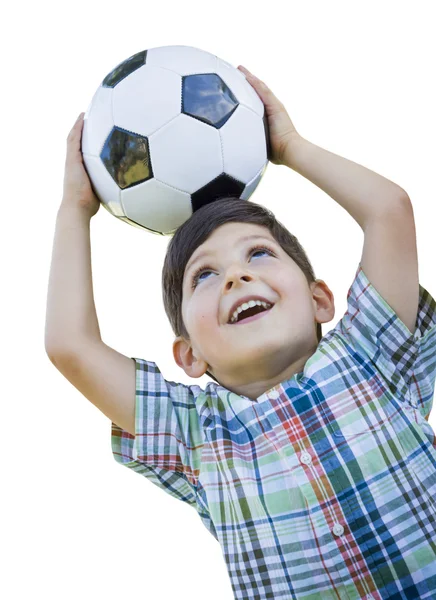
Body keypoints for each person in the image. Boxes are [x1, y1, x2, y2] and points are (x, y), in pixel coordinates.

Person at [45, 64, 436, 600]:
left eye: (259, 254)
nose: (236, 275)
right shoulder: (196, 436)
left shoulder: (371, 352)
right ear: (189, 354)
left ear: (320, 300)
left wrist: (291, 147)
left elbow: (389, 211)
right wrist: (75, 208)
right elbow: (70, 345)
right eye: (204, 275)